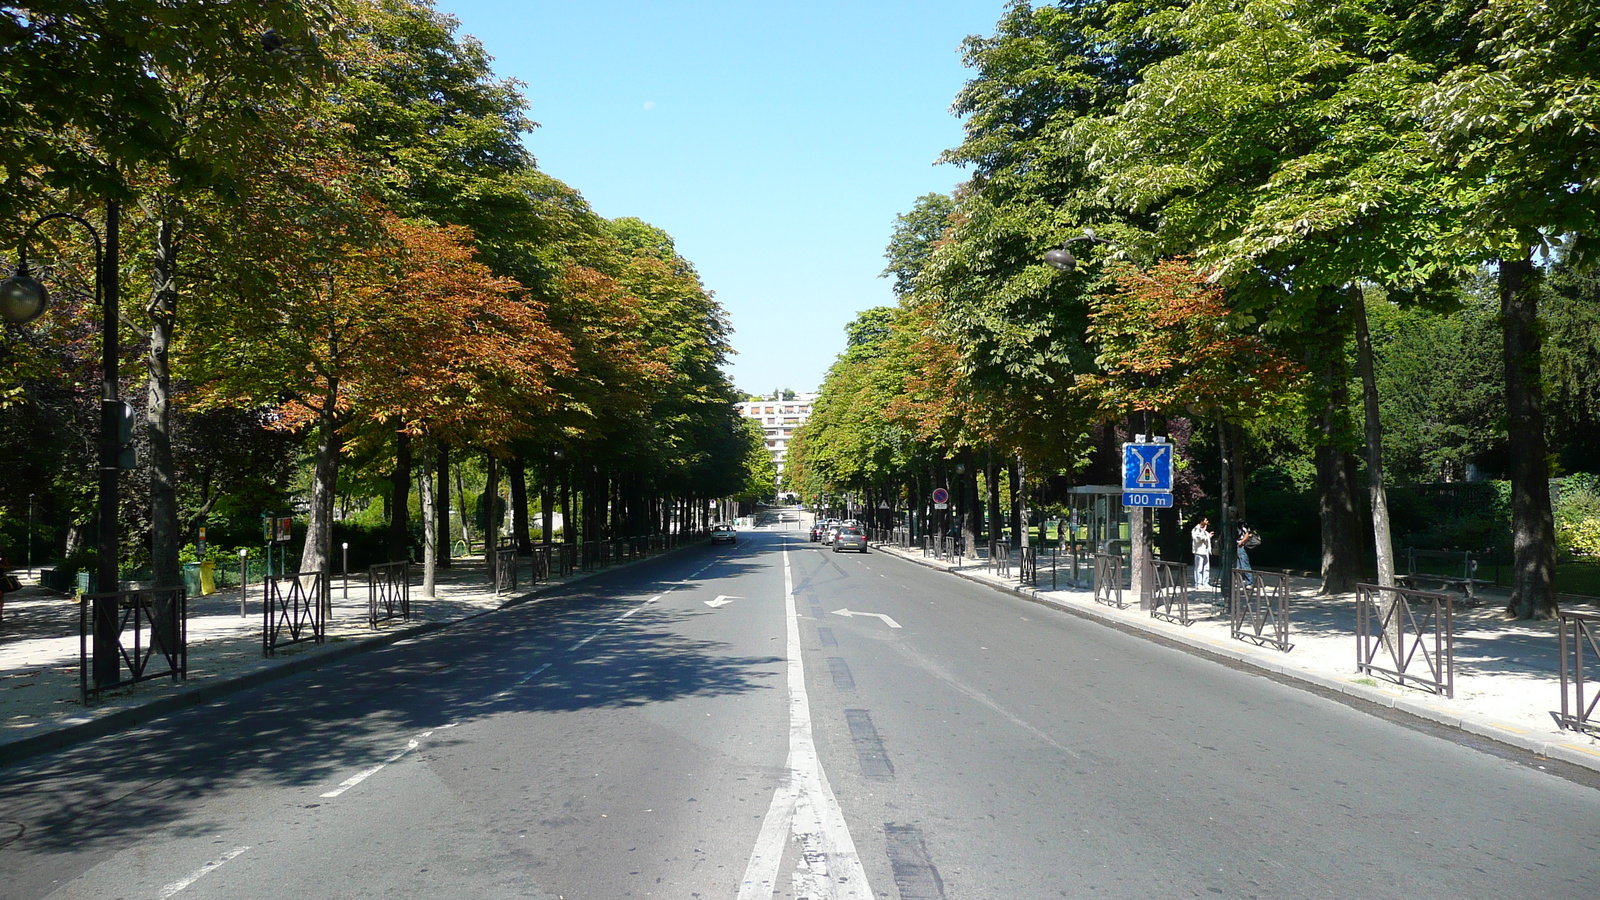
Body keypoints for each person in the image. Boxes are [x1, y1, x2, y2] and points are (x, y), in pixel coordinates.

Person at [1190, 517, 1213, 589]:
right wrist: (1204, 532)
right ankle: (1198, 583)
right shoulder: (1196, 529)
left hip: (1206, 551)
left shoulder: (1204, 531)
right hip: (1199, 552)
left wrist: (1209, 536)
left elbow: (1205, 539)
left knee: (1206, 568)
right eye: (1206, 520)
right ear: (1201, 521)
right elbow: (1197, 539)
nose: (1207, 521)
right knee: (1199, 568)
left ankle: (1205, 582)